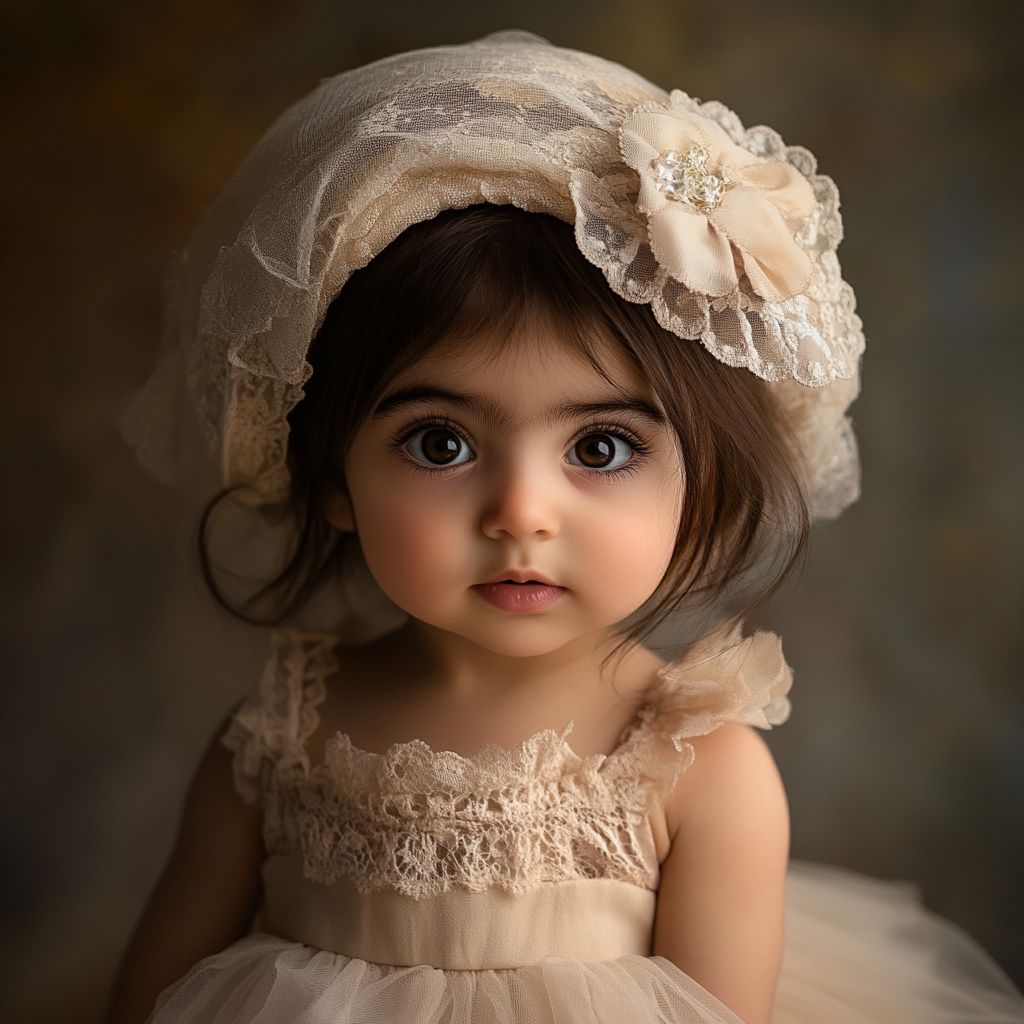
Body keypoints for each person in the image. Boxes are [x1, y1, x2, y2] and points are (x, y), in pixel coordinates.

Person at [109, 30, 1024, 1024]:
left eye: (597, 450)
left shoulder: (698, 765)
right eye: (439, 443)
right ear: (331, 476)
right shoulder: (277, 738)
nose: (519, 515)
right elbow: (151, 996)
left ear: (700, 486)